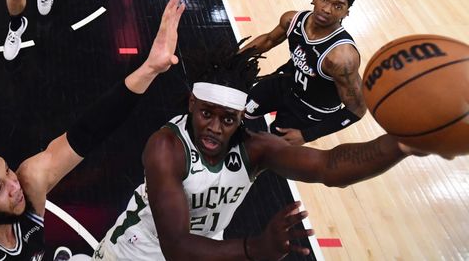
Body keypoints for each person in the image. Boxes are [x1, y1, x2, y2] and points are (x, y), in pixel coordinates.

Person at [85, 42, 426, 261]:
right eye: (206, 114)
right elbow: (176, 246)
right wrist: (254, 249)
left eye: (227, 119)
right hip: (138, 250)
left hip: (207, 247)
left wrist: (399, 145)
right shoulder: (166, 147)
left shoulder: (255, 148)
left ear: (241, 118)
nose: (215, 128)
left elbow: (327, 166)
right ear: (192, 103)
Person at [0, 0, 186, 261]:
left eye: (8, 171)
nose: (14, 186)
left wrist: (150, 68)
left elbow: (88, 132)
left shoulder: (29, 183)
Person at [240, 0, 365, 145]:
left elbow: (357, 109)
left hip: (310, 109)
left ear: (346, 13)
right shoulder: (292, 20)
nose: (327, 9)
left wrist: (309, 134)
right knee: (237, 109)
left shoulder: (341, 58)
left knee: (266, 147)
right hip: (286, 83)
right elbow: (268, 40)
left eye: (338, 6)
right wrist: (233, 58)